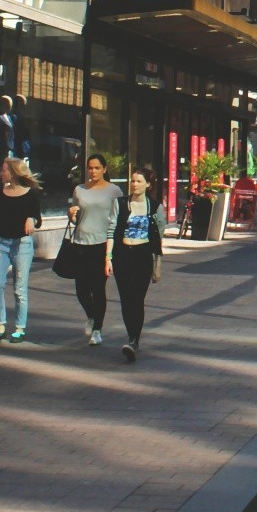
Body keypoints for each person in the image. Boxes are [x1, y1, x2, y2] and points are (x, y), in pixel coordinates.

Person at [110, 169, 166, 363]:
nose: (134, 184)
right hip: (122, 254)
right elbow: (111, 230)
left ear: (147, 185)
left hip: (143, 256)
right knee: (126, 299)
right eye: (132, 181)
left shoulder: (155, 207)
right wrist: (108, 258)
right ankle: (131, 336)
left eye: (139, 181)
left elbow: (159, 233)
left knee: (137, 298)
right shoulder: (120, 204)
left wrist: (158, 262)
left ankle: (134, 340)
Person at [66, 154, 121, 346]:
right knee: (81, 289)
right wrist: (70, 214)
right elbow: (75, 218)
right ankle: (91, 315)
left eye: (97, 168)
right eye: (90, 167)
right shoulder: (79, 190)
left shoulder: (114, 191)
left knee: (97, 288)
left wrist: (112, 252)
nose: (93, 171)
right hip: (81, 243)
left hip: (101, 244)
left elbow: (118, 219)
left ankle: (97, 329)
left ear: (104, 169)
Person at [0, 158, 42, 343]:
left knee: (19, 289)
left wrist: (31, 219)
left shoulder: (31, 194)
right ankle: (0, 325)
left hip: (22, 244)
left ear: (13, 172)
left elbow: (38, 218)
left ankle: (19, 328)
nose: (1, 174)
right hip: (1, 243)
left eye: (4, 170)